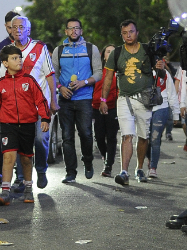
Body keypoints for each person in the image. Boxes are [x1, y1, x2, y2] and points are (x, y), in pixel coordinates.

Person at [0, 46, 50, 205]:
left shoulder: (29, 81)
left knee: (27, 159)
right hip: (8, 125)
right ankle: (5, 192)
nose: (19, 61)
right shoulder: (0, 84)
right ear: (5, 63)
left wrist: (45, 118)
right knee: (8, 156)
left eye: (19, 58)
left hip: (28, 125)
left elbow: (40, 101)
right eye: (14, 58)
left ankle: (28, 189)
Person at [0, 15, 57, 189]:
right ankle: (21, 178)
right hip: (18, 107)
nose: (18, 30)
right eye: (14, 27)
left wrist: (53, 100)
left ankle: (41, 170)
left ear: (28, 30)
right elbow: (3, 79)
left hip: (40, 105)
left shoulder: (39, 48)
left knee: (40, 140)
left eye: (21, 27)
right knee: (21, 144)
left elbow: (49, 74)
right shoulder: (8, 50)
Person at [99, 20, 153, 185]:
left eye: (131, 31)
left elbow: (160, 70)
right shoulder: (116, 53)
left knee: (143, 136)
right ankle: (124, 172)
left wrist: (158, 65)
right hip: (124, 99)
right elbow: (108, 77)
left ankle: (140, 168)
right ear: (121, 35)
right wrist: (103, 99)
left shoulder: (147, 50)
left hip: (144, 98)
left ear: (137, 32)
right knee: (127, 135)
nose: (128, 35)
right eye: (125, 33)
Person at [52, 18, 101, 183]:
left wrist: (84, 82)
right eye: (71, 28)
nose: (74, 31)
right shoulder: (58, 51)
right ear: (66, 31)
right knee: (67, 137)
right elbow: (53, 76)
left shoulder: (90, 49)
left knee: (86, 134)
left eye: (77, 28)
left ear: (81, 31)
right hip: (65, 99)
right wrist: (60, 87)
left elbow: (99, 73)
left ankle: (87, 162)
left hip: (84, 98)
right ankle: (70, 172)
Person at [0, 10, 19, 182]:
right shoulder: (2, 46)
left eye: (15, 27)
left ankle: (21, 176)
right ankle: (1, 171)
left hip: (22, 99)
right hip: (5, 99)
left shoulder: (29, 45)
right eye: (10, 27)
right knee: (1, 135)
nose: (12, 31)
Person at [146, 58, 180, 179]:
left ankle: (153, 167)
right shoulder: (142, 73)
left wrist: (176, 114)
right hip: (145, 109)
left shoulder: (165, 75)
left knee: (155, 138)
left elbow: (172, 94)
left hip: (162, 108)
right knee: (145, 138)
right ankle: (149, 158)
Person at [92, 45, 119, 177]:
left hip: (113, 107)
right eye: (108, 51)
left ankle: (108, 165)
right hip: (96, 107)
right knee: (99, 136)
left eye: (113, 52)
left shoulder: (118, 72)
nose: (111, 54)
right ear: (103, 55)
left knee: (112, 137)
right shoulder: (97, 71)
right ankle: (105, 156)